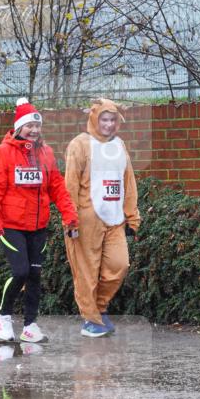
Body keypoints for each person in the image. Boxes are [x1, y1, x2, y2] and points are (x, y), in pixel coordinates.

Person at [0, 98, 78, 343]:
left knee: (35, 275)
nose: (34, 130)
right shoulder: (2, 153)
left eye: (38, 126)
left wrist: (69, 215)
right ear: (19, 127)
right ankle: (3, 316)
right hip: (10, 225)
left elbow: (56, 186)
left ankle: (29, 325)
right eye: (29, 126)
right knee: (21, 271)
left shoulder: (46, 153)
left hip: (39, 227)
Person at [63, 98, 141, 338]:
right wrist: (70, 219)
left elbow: (128, 182)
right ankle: (91, 319)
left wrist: (132, 217)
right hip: (86, 218)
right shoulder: (80, 144)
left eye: (112, 120)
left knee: (120, 264)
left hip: (115, 219)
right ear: (94, 119)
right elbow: (70, 184)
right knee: (86, 270)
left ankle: (99, 307)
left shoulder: (120, 145)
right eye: (104, 119)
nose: (108, 124)